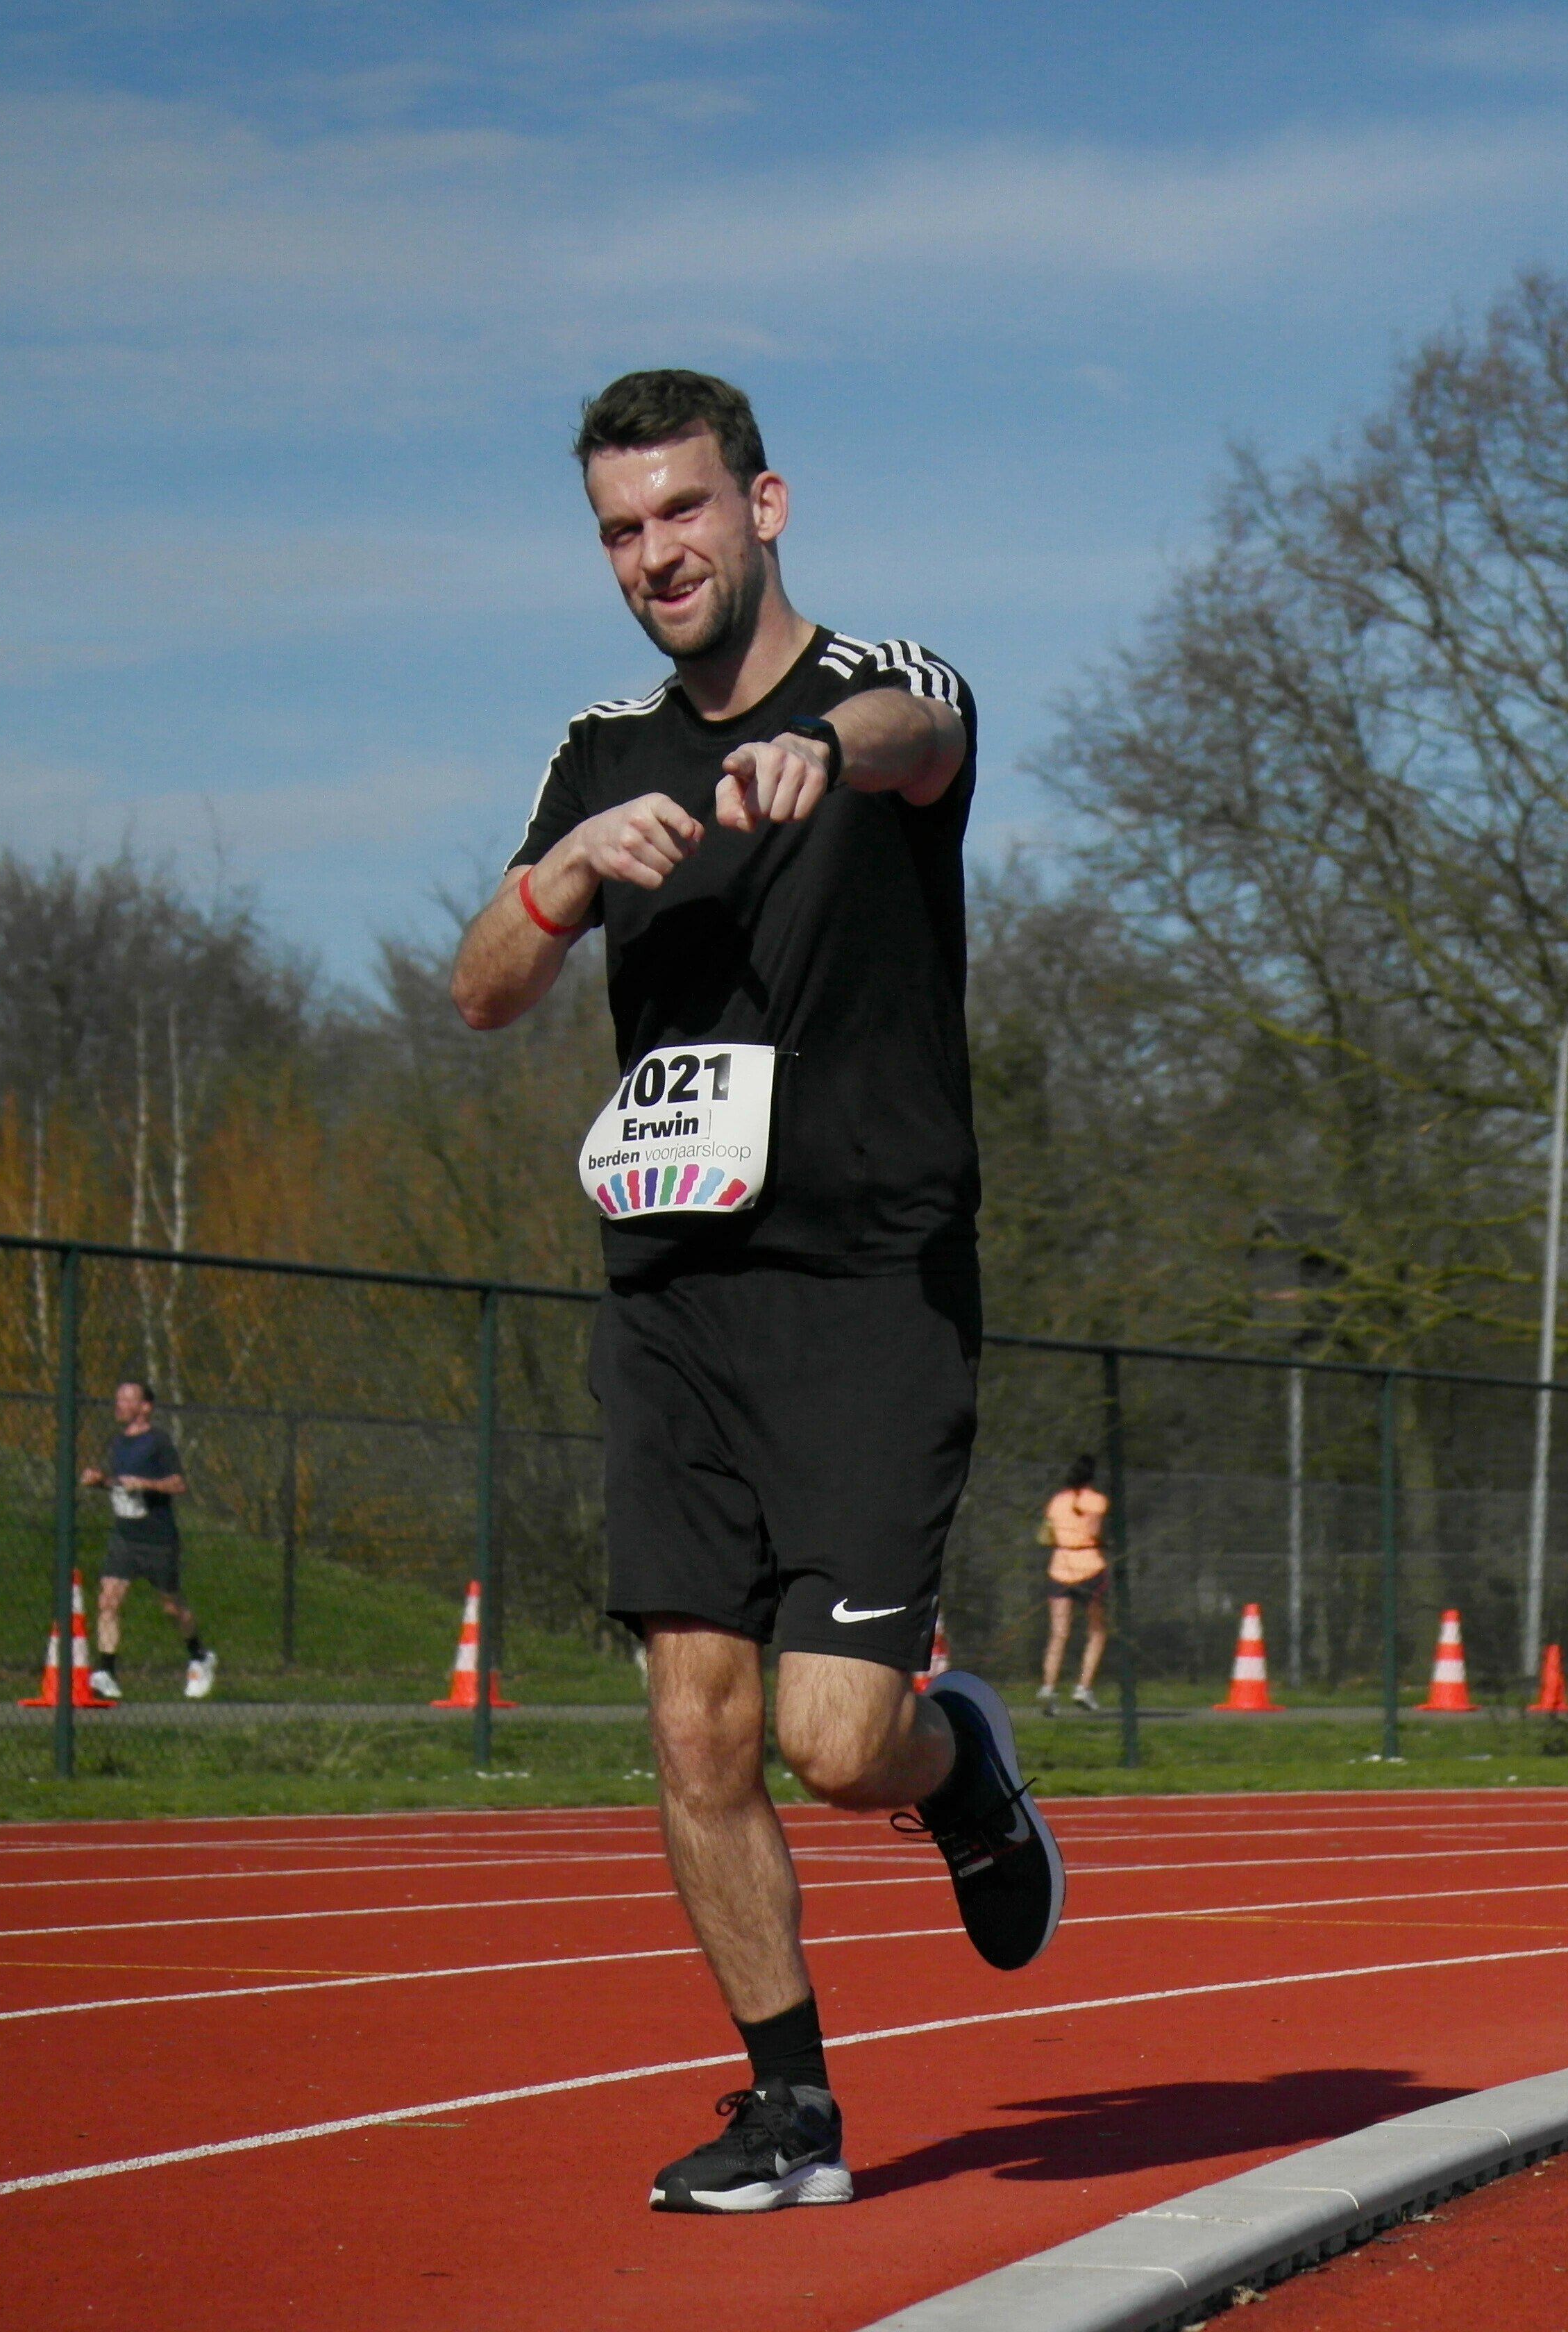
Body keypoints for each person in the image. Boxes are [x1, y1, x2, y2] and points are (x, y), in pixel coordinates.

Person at [448, 368, 1057, 2217]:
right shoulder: (597, 751)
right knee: (696, 1724)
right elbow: (480, 990)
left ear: (764, 503)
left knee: (831, 1737)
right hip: (675, 1293)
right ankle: (790, 2108)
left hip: (869, 1286)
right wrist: (556, 880)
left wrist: (825, 753)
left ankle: (959, 1766)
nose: (657, 557)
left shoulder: (884, 689)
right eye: (622, 531)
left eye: (685, 514)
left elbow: (919, 730)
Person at [80, 1379, 214, 1700]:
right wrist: (101, 1482)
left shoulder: (158, 1442)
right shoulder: (117, 1443)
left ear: (145, 1407)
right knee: (108, 1601)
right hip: (125, 1536)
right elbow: (121, 1485)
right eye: (118, 1399)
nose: (120, 1405)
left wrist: (144, 1483)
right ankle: (107, 1673)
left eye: (128, 1400)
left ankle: (199, 1655)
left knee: (171, 1605)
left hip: (157, 1538)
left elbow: (178, 1484)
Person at [1037, 1454, 1111, 1713]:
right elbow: (1095, 1533)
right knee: (1097, 1631)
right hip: (1090, 1567)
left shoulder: (1056, 1502)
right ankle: (1083, 1687)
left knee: (1058, 1633)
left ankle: (1048, 1688)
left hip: (1059, 1567)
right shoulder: (1098, 1502)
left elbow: (1046, 1535)